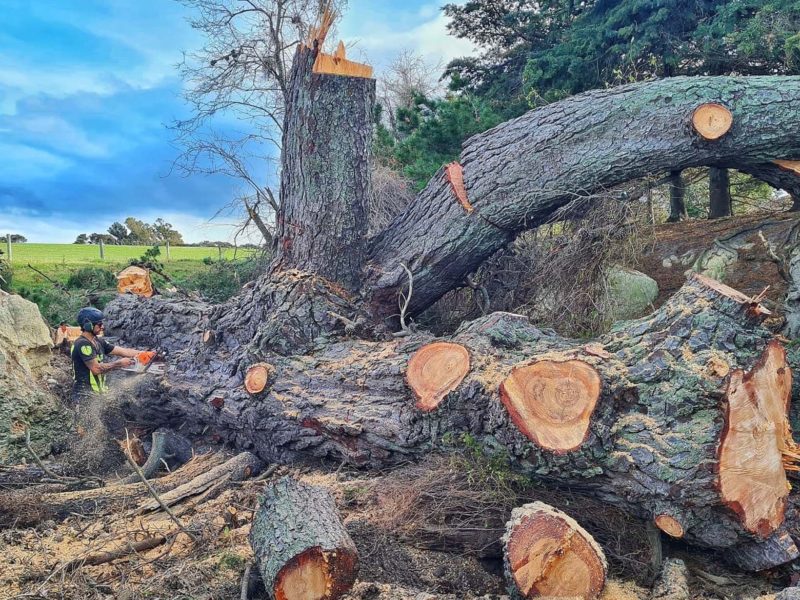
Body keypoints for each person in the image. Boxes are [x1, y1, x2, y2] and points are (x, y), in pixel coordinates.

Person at [71, 307, 142, 406]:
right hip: (84, 397)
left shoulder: (98, 341)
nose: (103, 327)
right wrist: (119, 364)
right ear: (88, 325)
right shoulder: (82, 344)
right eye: (99, 324)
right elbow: (96, 369)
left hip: (99, 395)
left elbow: (123, 351)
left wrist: (144, 354)